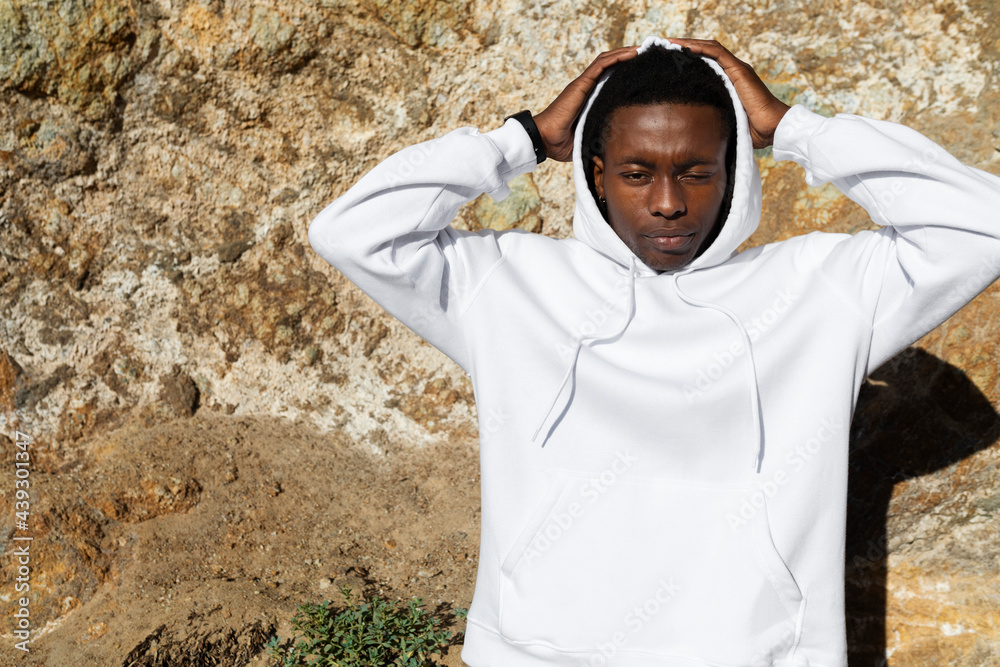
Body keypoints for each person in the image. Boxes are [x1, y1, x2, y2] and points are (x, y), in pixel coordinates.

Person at [308, 36, 1000, 667]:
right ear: (596, 171)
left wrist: (795, 129)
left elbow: (982, 228)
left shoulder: (817, 291)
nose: (668, 202)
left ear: (735, 170)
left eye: (696, 172)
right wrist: (522, 138)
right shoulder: (510, 287)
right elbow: (352, 232)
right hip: (536, 653)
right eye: (638, 173)